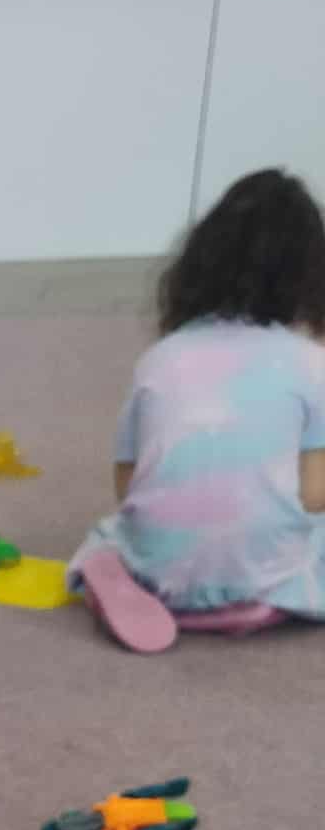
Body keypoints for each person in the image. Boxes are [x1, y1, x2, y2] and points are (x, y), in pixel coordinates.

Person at [70, 168, 325, 653]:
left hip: (161, 573)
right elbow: (314, 495)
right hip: (266, 580)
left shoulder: (160, 359)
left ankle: (116, 575)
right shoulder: (311, 364)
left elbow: (127, 484)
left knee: (108, 535)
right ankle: (258, 600)